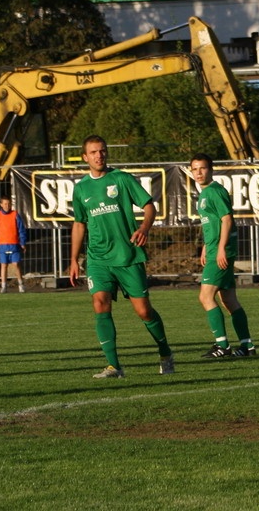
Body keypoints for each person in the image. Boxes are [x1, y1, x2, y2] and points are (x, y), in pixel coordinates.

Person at [68, 135, 175, 379]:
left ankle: (165, 352)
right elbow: (79, 225)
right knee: (100, 303)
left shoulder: (122, 179)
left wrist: (144, 228)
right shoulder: (81, 188)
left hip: (128, 256)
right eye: (94, 152)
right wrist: (74, 259)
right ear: (85, 157)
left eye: (102, 151)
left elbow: (150, 207)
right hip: (98, 259)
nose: (99, 155)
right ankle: (114, 366)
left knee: (144, 311)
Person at [189, 153, 256, 358]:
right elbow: (213, 223)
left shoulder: (215, 192)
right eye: (195, 169)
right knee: (228, 300)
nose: (199, 172)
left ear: (211, 169)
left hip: (220, 252)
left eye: (203, 168)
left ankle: (222, 346)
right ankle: (247, 347)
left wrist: (219, 249)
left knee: (205, 296)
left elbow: (227, 220)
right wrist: (205, 246)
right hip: (214, 249)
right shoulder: (204, 193)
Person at [0, 194, 27, 293]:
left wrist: (22, 242)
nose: (7, 206)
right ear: (1, 204)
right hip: (2, 245)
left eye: (9, 204)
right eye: (5, 204)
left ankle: (21, 285)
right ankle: (4, 286)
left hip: (14, 244)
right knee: (4, 265)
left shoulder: (15, 215)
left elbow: (21, 229)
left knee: (16, 264)